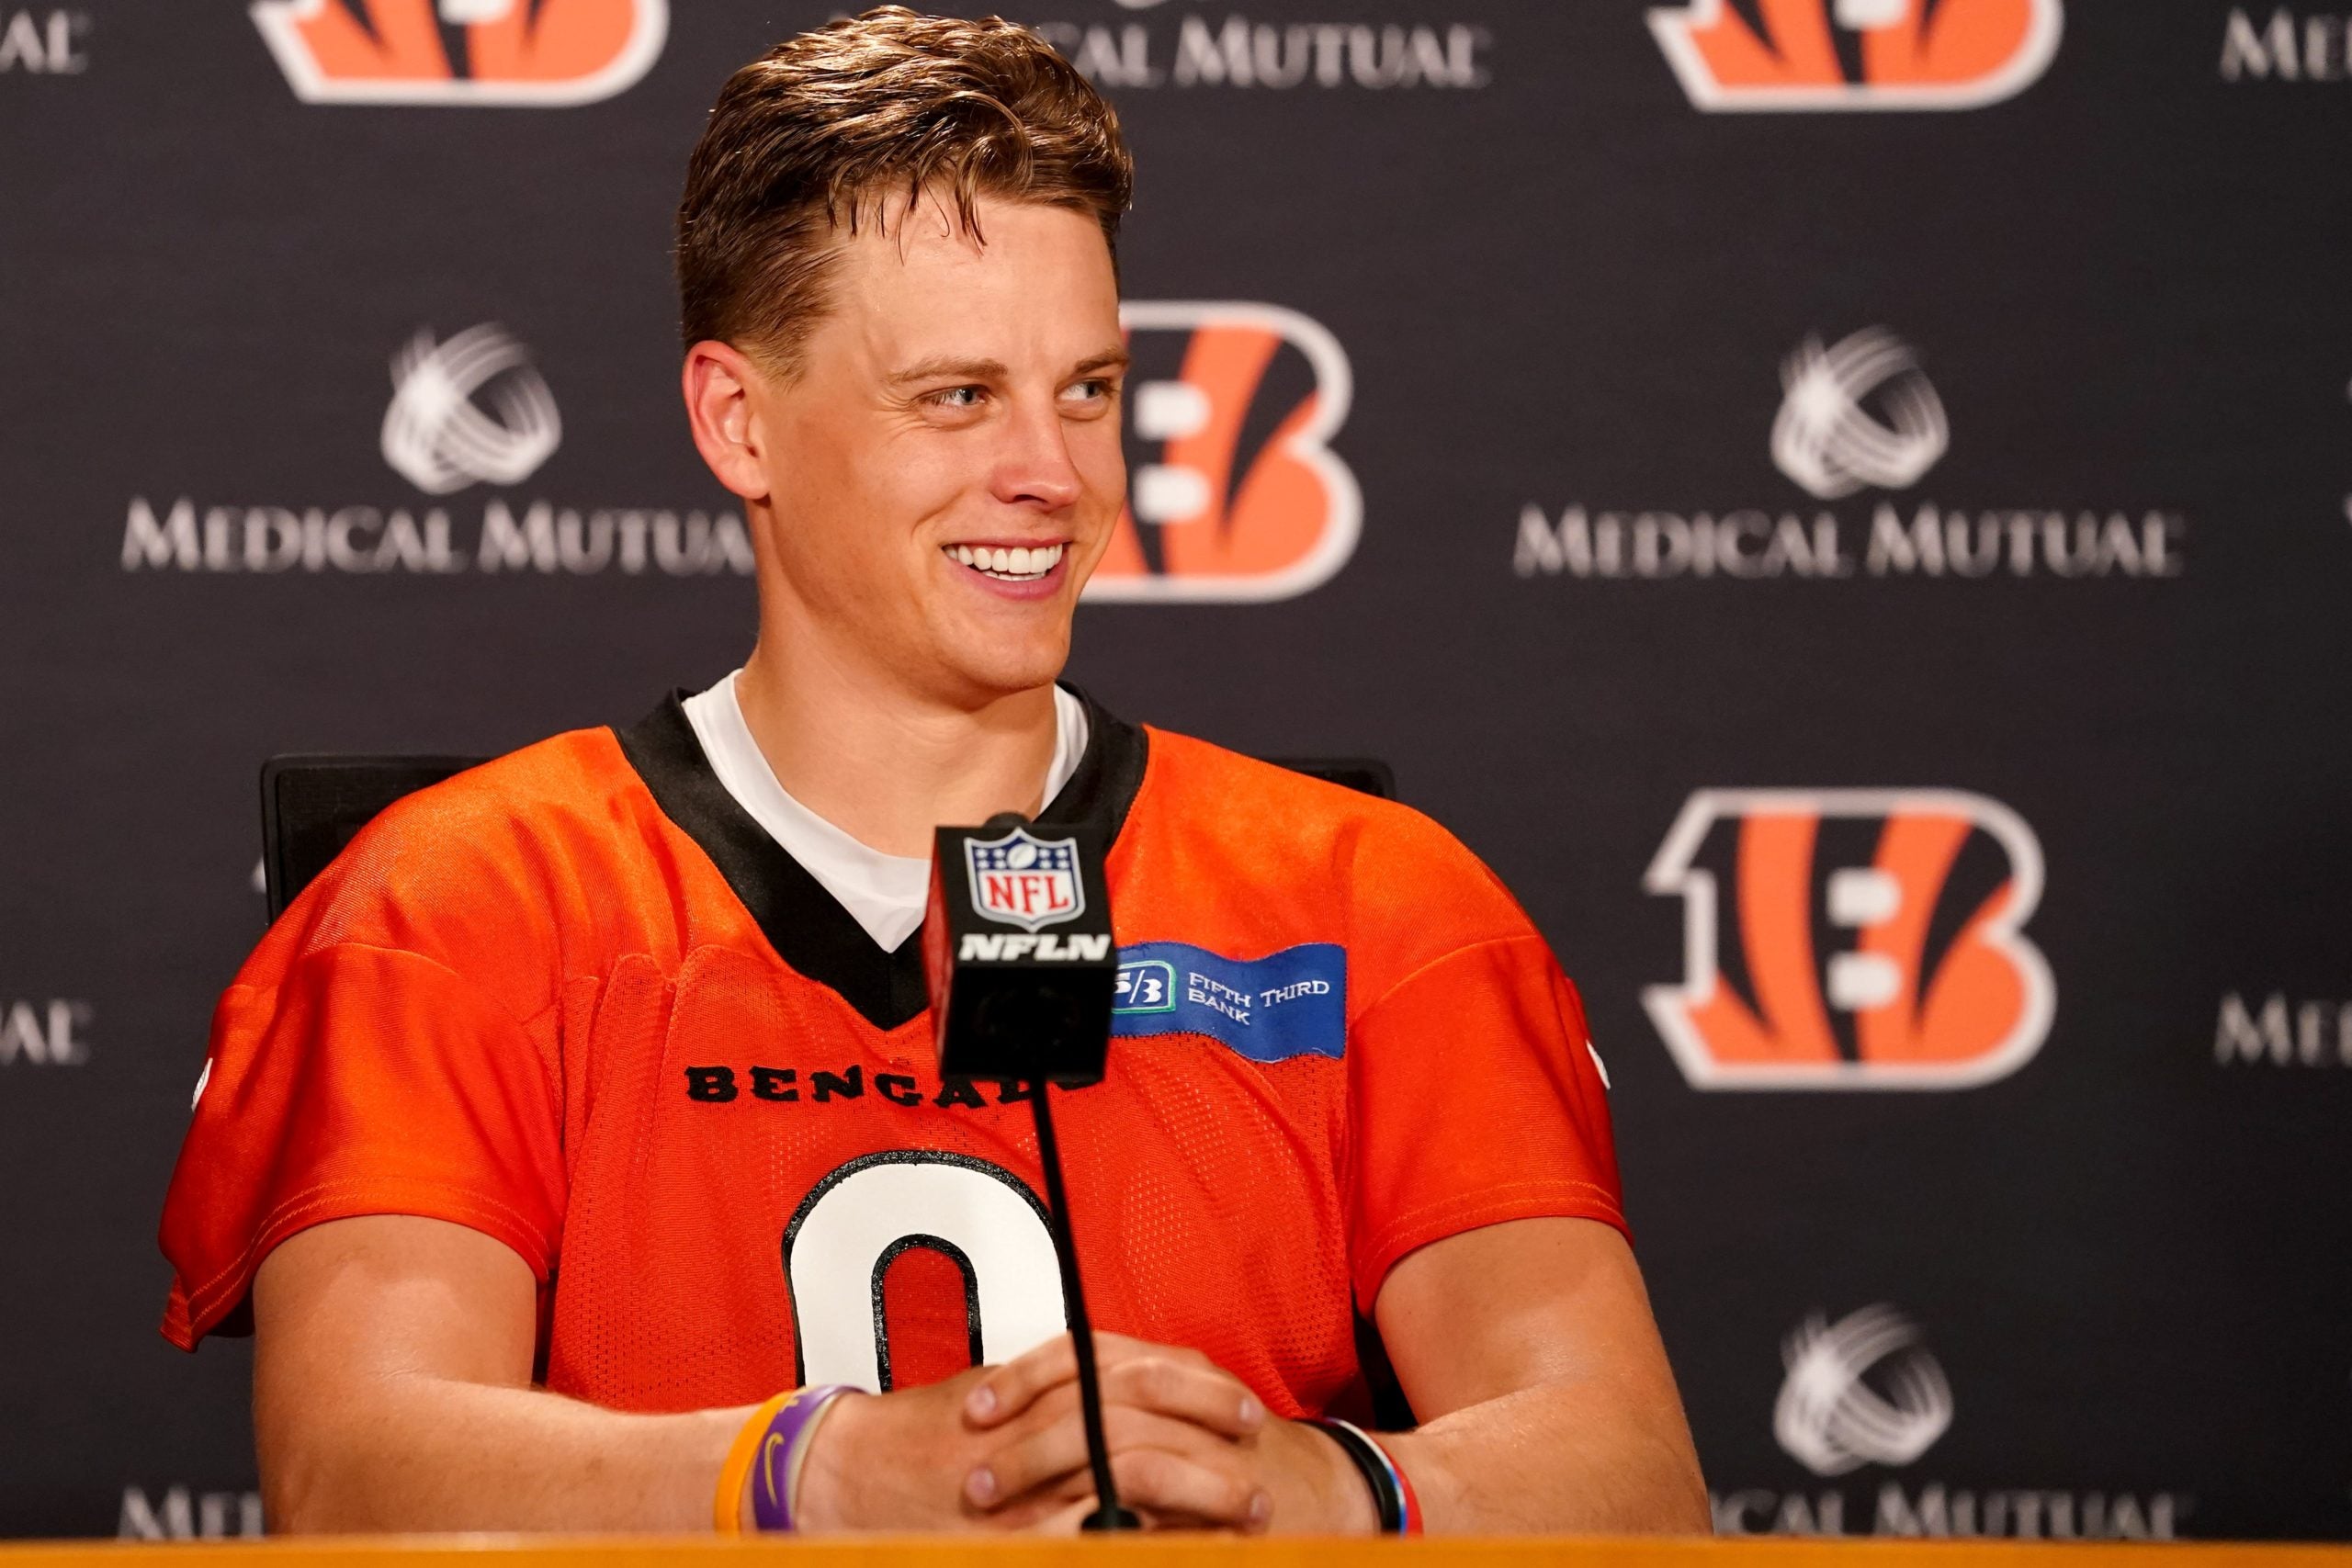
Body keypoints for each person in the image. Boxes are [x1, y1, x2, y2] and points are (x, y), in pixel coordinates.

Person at [156, 6, 1708, 1537]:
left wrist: (1330, 1485)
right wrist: (809, 1478)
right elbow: (354, 1469)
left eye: (1089, 389)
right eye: (957, 396)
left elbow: (1630, 1477)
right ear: (737, 421)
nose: (1054, 471)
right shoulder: (461, 904)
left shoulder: (1375, 899)